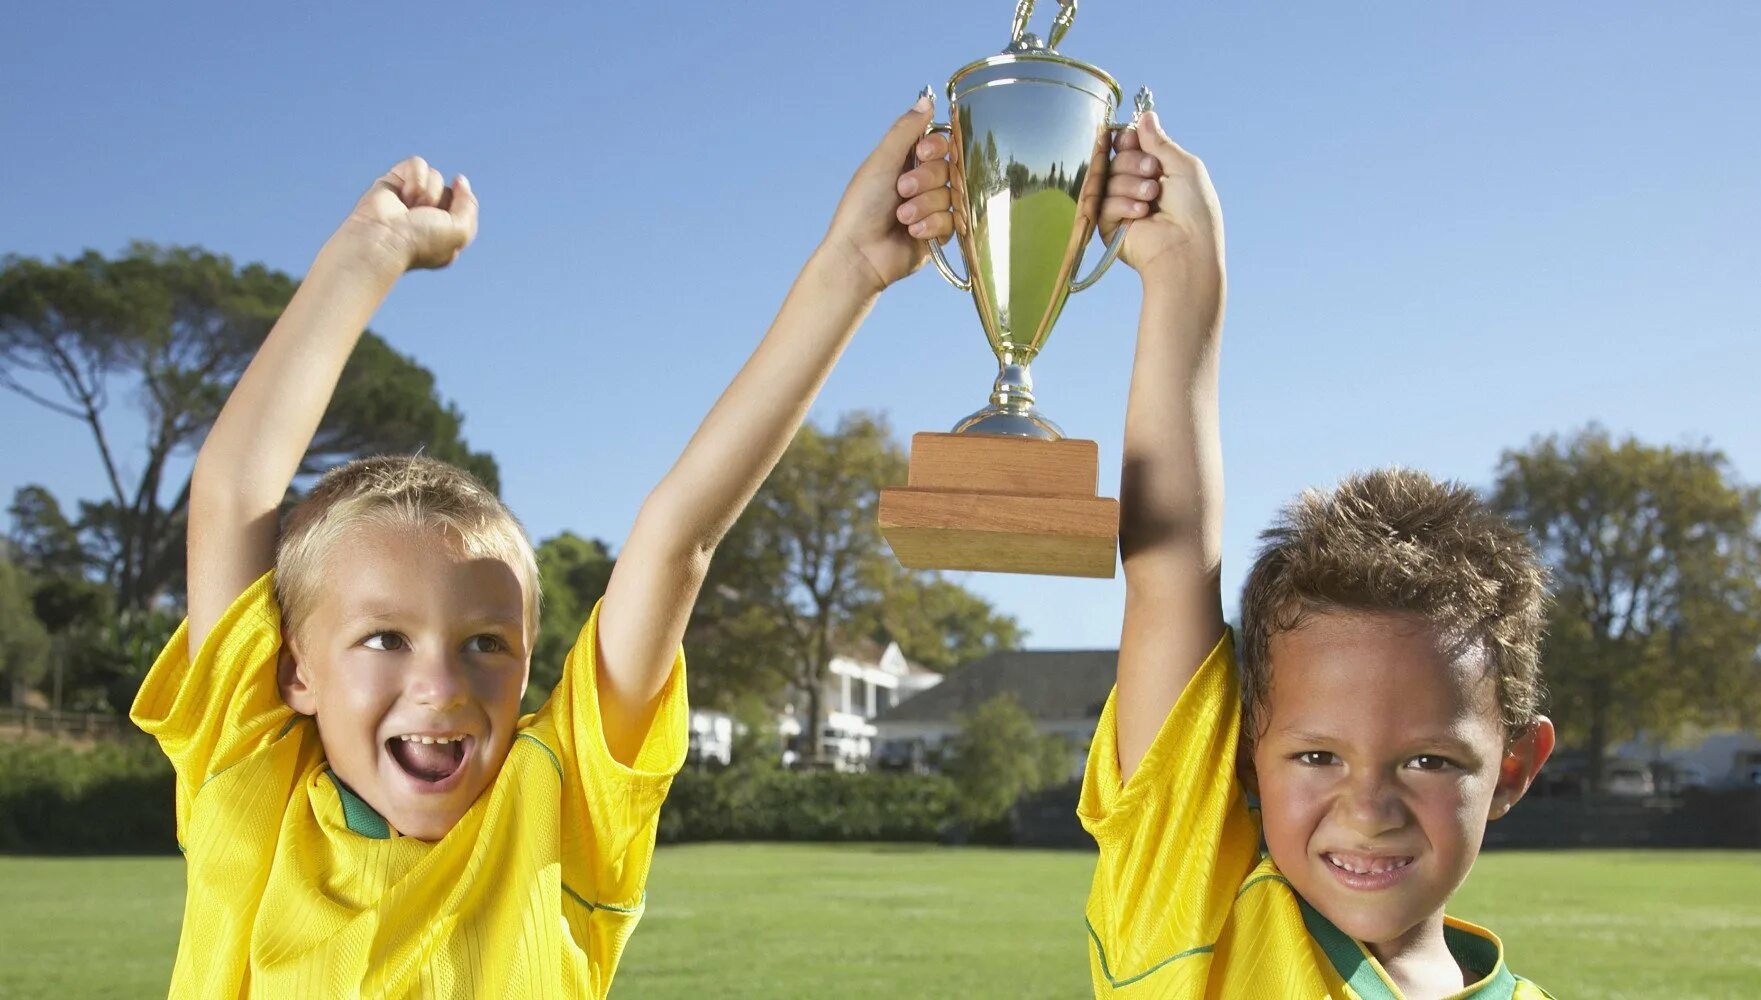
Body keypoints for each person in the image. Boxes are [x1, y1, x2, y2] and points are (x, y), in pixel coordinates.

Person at [131, 92, 969, 998]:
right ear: (296, 673)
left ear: (528, 665)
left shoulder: (560, 810)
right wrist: (370, 255)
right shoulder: (250, 789)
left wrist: (849, 269)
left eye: (485, 644)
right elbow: (232, 491)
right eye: (384, 638)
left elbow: (677, 537)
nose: (442, 684)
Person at [1076, 109, 1561, 999]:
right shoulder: (1194, 908)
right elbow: (1169, 563)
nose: (1368, 809)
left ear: (1515, 768)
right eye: (1315, 756)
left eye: (1429, 760)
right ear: (1244, 750)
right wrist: (1185, 276)